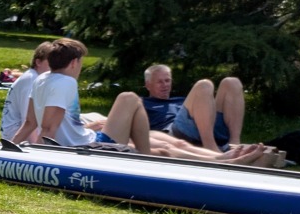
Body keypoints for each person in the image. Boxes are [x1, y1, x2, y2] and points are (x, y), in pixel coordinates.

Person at [33, 39, 275, 164]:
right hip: (87, 145)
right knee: (129, 99)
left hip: (86, 139)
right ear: (74, 63)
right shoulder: (65, 83)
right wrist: (47, 158)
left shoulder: (42, 79)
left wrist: (22, 144)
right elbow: (48, 127)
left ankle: (220, 158)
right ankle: (218, 158)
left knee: (164, 148)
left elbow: (34, 121)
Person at [141, 64, 247, 152]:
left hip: (205, 124)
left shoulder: (181, 100)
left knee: (232, 82)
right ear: (148, 85)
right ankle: (210, 146)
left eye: (167, 80)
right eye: (160, 82)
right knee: (204, 85)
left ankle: (234, 142)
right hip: (176, 132)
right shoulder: (142, 103)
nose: (165, 85)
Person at [3, 41, 56, 142]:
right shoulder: (31, 81)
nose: (54, 68)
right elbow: (28, 121)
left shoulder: (35, 77)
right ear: (38, 62)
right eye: (51, 63)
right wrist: (35, 149)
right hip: (17, 138)